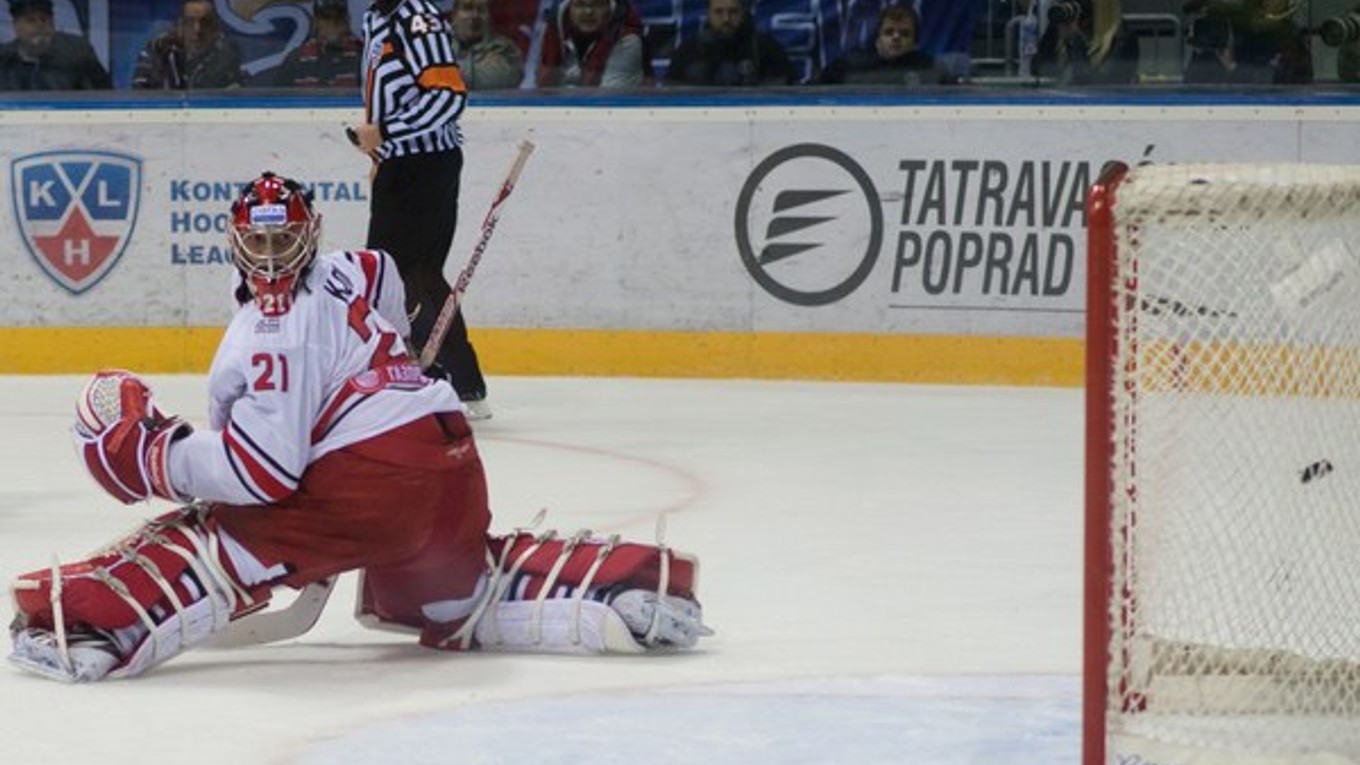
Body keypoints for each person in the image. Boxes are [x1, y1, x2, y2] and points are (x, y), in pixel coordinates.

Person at [6, 171, 711, 683]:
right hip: (448, 465)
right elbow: (385, 277)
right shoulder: (352, 268)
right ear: (238, 241)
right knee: (454, 586)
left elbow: (262, 474)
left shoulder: (272, 331)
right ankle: (631, 590)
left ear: (309, 235)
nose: (274, 255)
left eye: (286, 239)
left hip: (370, 486)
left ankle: (88, 625)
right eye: (262, 240)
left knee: (216, 534)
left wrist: (153, 454)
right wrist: (395, 357)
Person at [352, 0, 492, 418]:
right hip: (403, 164)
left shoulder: (417, 18)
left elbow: (448, 97)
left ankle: (441, 383)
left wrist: (386, 133)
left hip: (425, 165)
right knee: (410, 276)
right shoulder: (378, 18)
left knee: (399, 276)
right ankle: (462, 385)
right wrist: (382, 156)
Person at [1181, 0, 1312, 85]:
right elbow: (1192, 92)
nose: (1262, 4)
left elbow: (1290, 98)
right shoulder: (1219, 36)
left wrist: (1232, 67)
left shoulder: (1292, 44)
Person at [665, 0, 793, 86]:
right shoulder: (688, 51)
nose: (726, 19)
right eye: (719, 12)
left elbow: (783, 93)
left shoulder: (766, 48)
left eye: (733, 12)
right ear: (708, 13)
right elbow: (670, 92)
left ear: (743, 12)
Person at [820, 5, 953, 86]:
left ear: (915, 42)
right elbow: (812, 92)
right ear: (878, 38)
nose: (896, 37)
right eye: (888, 32)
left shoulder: (930, 67)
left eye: (904, 33)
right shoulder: (848, 65)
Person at [130, 0, 245, 89]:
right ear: (179, 25)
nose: (197, 30)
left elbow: (235, 100)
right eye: (189, 22)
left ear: (215, 28)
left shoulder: (227, 55)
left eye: (205, 22)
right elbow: (140, 95)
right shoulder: (157, 51)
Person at [536, 0, 650, 88]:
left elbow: (609, 102)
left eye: (598, 4)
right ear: (569, 6)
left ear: (609, 7)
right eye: (580, 4)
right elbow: (544, 90)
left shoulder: (627, 39)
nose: (588, 12)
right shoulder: (553, 32)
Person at [0, 0, 110, 90]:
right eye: (31, 20)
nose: (39, 26)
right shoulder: (4, 59)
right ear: (16, 26)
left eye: (44, 19)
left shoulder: (77, 52)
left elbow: (104, 98)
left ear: (53, 22)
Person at [1032, 0, 1138, 85]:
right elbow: (1037, 70)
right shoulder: (1062, 28)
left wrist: (1075, 41)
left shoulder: (1122, 38)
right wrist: (1055, 31)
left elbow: (1094, 85)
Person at [266, 0, 364, 89]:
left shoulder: (362, 55)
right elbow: (279, 102)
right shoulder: (296, 59)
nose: (333, 24)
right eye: (326, 18)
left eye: (338, 18)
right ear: (316, 22)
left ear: (347, 20)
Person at [448, 0, 525, 90]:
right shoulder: (436, 44)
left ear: (488, 18)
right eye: (467, 9)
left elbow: (499, 80)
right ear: (454, 16)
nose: (474, 16)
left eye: (481, 10)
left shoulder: (505, 48)